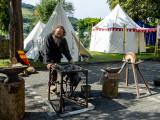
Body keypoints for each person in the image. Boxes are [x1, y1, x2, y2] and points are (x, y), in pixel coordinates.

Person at [43, 24, 74, 92]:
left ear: (63, 33)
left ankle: (55, 85)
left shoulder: (63, 40)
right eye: (57, 34)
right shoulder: (48, 37)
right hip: (49, 57)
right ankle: (51, 85)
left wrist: (70, 60)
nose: (59, 35)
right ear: (54, 32)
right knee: (53, 70)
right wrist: (49, 62)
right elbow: (46, 50)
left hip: (57, 57)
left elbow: (66, 51)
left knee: (57, 70)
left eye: (61, 34)